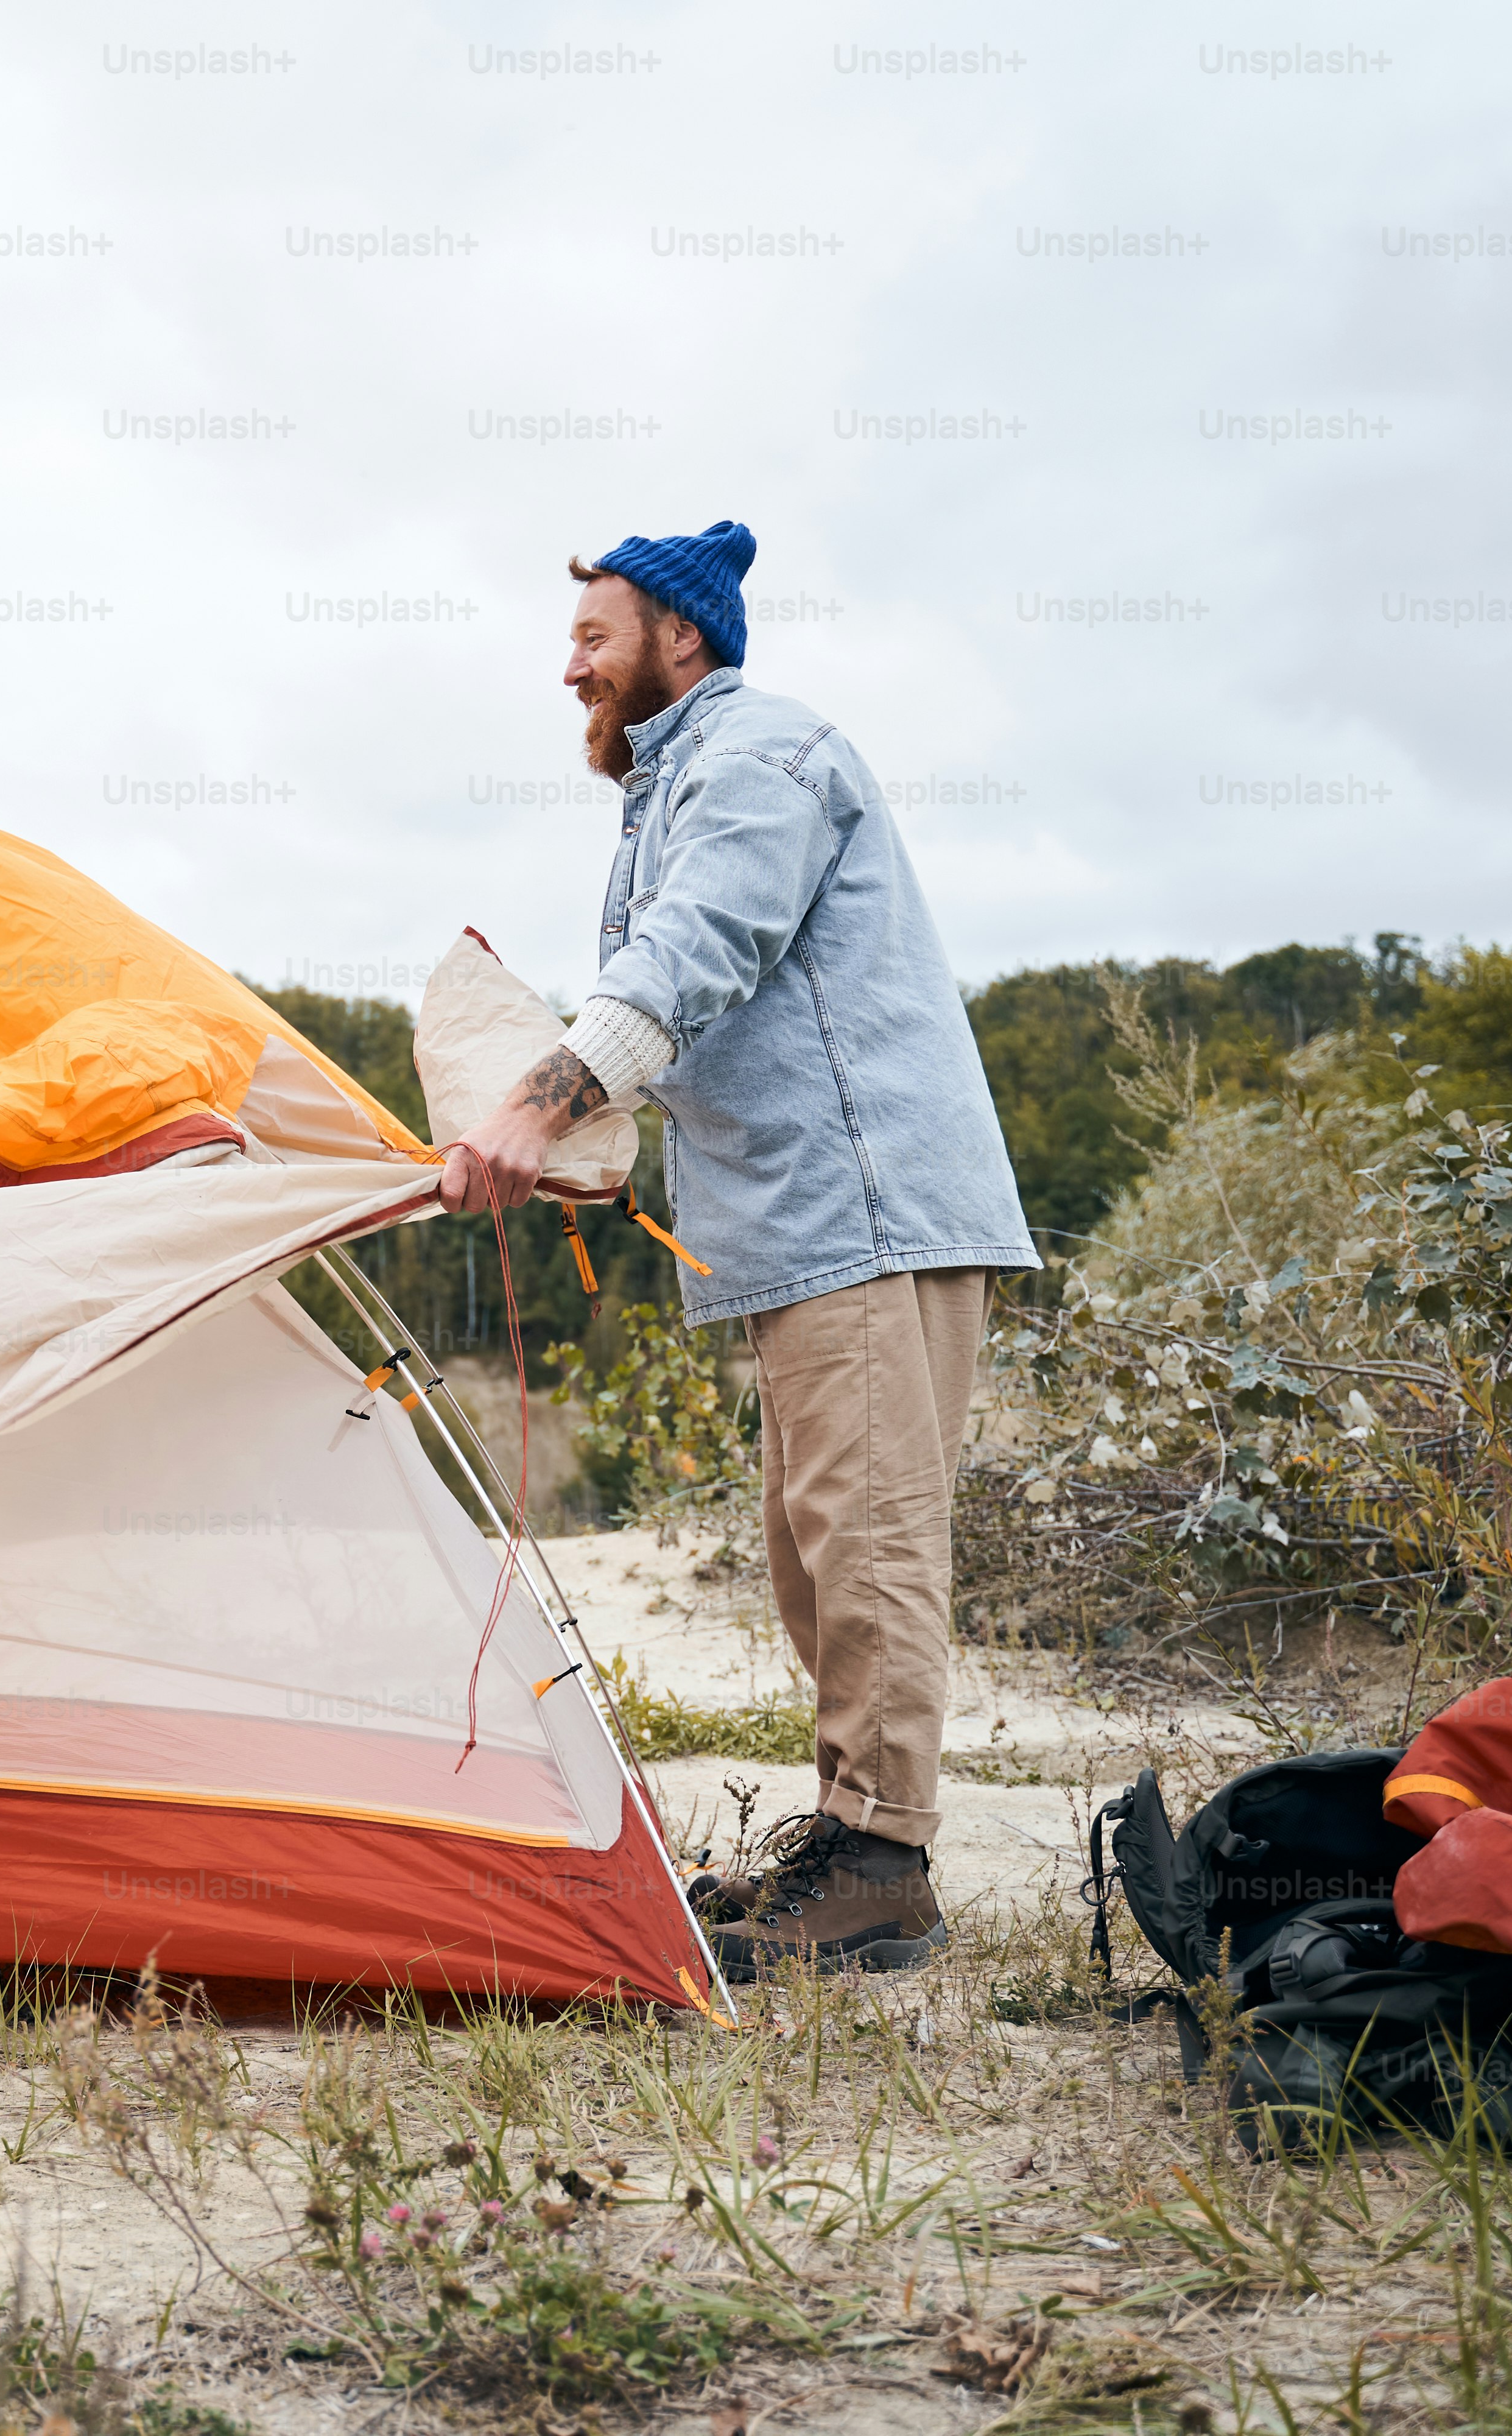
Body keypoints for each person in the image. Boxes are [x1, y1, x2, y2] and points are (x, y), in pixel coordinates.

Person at [438, 521, 1034, 1979]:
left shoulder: (758, 756)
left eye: (595, 635)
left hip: (869, 1211)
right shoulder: (669, 787)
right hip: (796, 1227)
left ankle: (886, 1865)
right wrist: (576, 1125)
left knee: (870, 1534)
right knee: (810, 1544)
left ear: (681, 639)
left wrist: (541, 1102)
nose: (567, 662)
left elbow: (704, 947)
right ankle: (849, 1836)